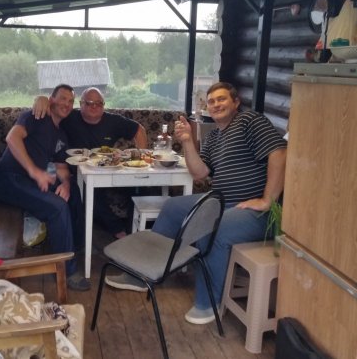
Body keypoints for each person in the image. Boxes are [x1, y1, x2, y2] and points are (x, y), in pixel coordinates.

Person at [105, 82, 287, 325]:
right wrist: (188, 142)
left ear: (236, 102)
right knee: (172, 208)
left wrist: (267, 200)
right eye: (211, 101)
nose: (216, 104)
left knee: (212, 228)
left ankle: (208, 302)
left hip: (254, 212)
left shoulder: (250, 121)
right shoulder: (213, 136)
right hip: (221, 202)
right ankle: (143, 275)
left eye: (222, 99)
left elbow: (279, 152)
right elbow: (199, 173)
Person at [0, 84, 90, 291]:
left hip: (31, 181)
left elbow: (61, 168)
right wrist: (34, 171)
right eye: (62, 98)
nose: (66, 104)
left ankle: (76, 247)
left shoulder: (61, 135)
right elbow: (12, 138)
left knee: (73, 192)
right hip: (8, 178)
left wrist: (66, 184)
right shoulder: (35, 116)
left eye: (70, 101)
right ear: (51, 100)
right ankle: (68, 271)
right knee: (57, 208)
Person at [32, 87, 148, 238]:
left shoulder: (113, 121)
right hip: (78, 172)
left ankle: (137, 231)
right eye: (89, 103)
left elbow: (139, 130)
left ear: (103, 105)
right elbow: (52, 108)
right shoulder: (69, 117)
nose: (94, 107)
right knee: (88, 193)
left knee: (141, 185)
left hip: (109, 169)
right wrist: (40, 99)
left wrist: (141, 157)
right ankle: (117, 229)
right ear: (81, 104)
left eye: (98, 103)